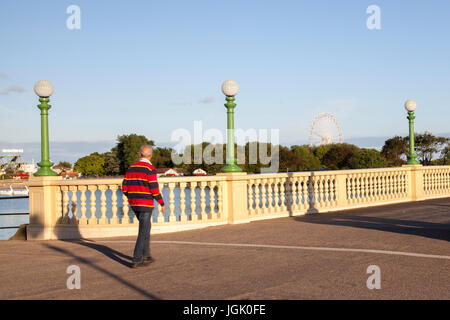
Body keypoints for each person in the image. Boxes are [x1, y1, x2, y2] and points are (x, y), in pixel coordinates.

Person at [122, 145, 166, 268]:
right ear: (150, 155)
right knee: (143, 231)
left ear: (140, 155)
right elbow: (154, 189)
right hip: (145, 203)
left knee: (146, 227)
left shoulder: (131, 168)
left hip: (134, 203)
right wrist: (161, 202)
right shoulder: (150, 169)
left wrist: (131, 196)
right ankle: (136, 259)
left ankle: (146, 255)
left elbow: (124, 187)